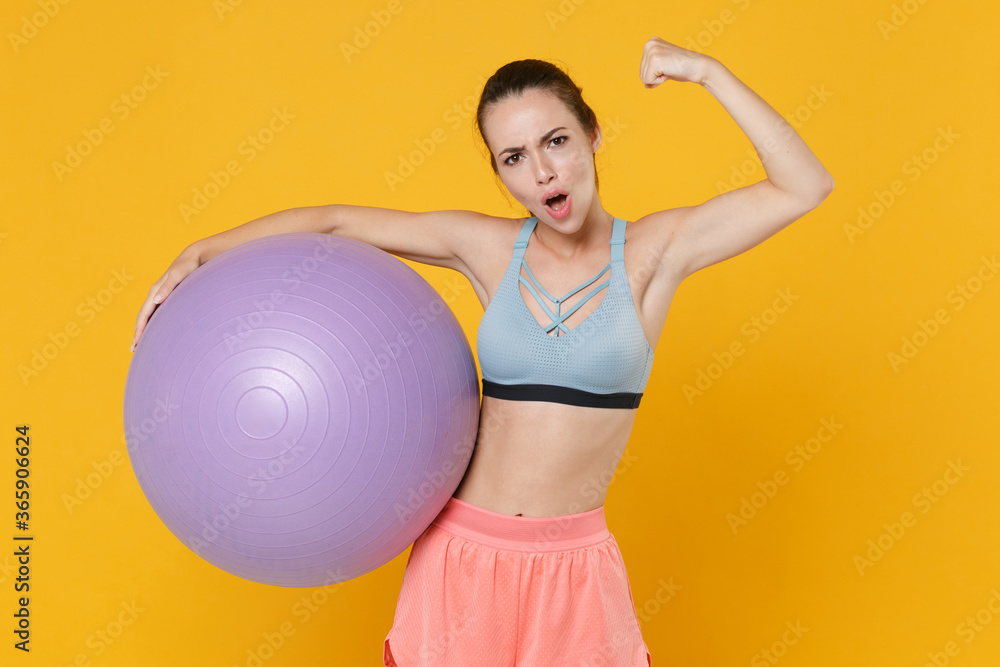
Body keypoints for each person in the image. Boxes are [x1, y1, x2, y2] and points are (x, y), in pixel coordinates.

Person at [132, 37, 833, 666]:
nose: (544, 174)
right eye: (515, 158)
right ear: (501, 175)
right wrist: (200, 253)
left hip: (575, 570)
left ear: (592, 134)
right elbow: (338, 221)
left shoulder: (654, 253)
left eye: (557, 141)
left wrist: (705, 71)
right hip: (460, 558)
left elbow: (806, 184)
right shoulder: (490, 250)